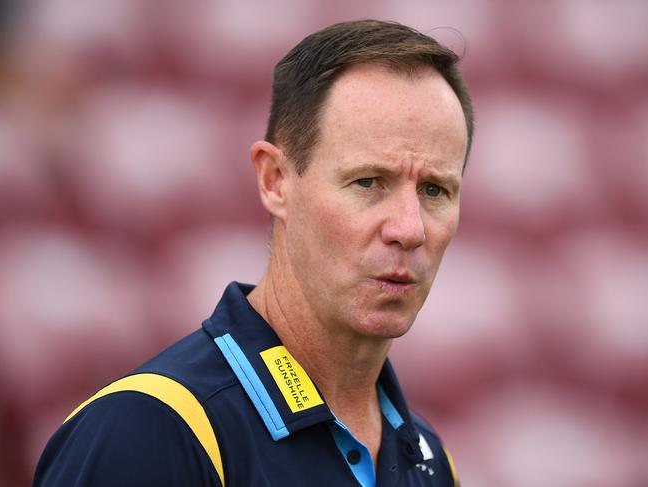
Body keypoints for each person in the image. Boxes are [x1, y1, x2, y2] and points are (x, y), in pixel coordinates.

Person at [33, 19, 473, 487]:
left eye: (434, 190)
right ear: (274, 180)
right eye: (368, 182)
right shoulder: (147, 431)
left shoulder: (430, 460)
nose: (409, 229)